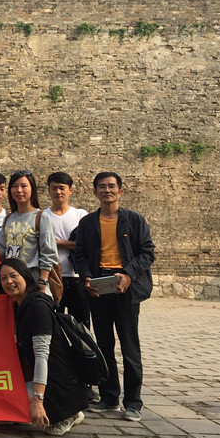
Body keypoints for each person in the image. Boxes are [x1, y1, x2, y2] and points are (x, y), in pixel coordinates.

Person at [74, 172, 155, 422]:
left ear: (120, 191)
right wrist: (87, 277)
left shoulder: (134, 220)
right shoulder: (88, 223)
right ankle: (109, 397)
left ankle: (133, 402)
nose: (107, 190)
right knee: (104, 345)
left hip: (126, 287)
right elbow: (80, 254)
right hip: (99, 286)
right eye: (102, 187)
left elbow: (147, 252)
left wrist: (129, 274)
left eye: (111, 186)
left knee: (130, 347)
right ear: (95, 192)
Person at [0, 258, 88, 436]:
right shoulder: (17, 306)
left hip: (57, 382)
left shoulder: (38, 307)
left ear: (25, 276)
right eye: (3, 278)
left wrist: (37, 401)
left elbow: (42, 356)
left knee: (4, 409)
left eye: (13, 276)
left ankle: (70, 412)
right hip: (44, 378)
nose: (9, 281)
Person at [0, 170, 59, 293]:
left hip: (34, 281)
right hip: (12, 285)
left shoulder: (41, 217)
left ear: (32, 189)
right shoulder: (8, 218)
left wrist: (43, 281)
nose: (19, 190)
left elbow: (48, 253)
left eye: (24, 186)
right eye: (15, 186)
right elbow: (3, 250)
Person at [45, 172, 90, 327]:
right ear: (49, 191)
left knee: (80, 324)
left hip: (76, 277)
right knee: (53, 323)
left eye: (62, 188)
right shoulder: (42, 216)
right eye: (54, 188)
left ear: (70, 190)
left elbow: (85, 245)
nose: (58, 192)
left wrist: (57, 243)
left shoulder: (80, 215)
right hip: (52, 276)